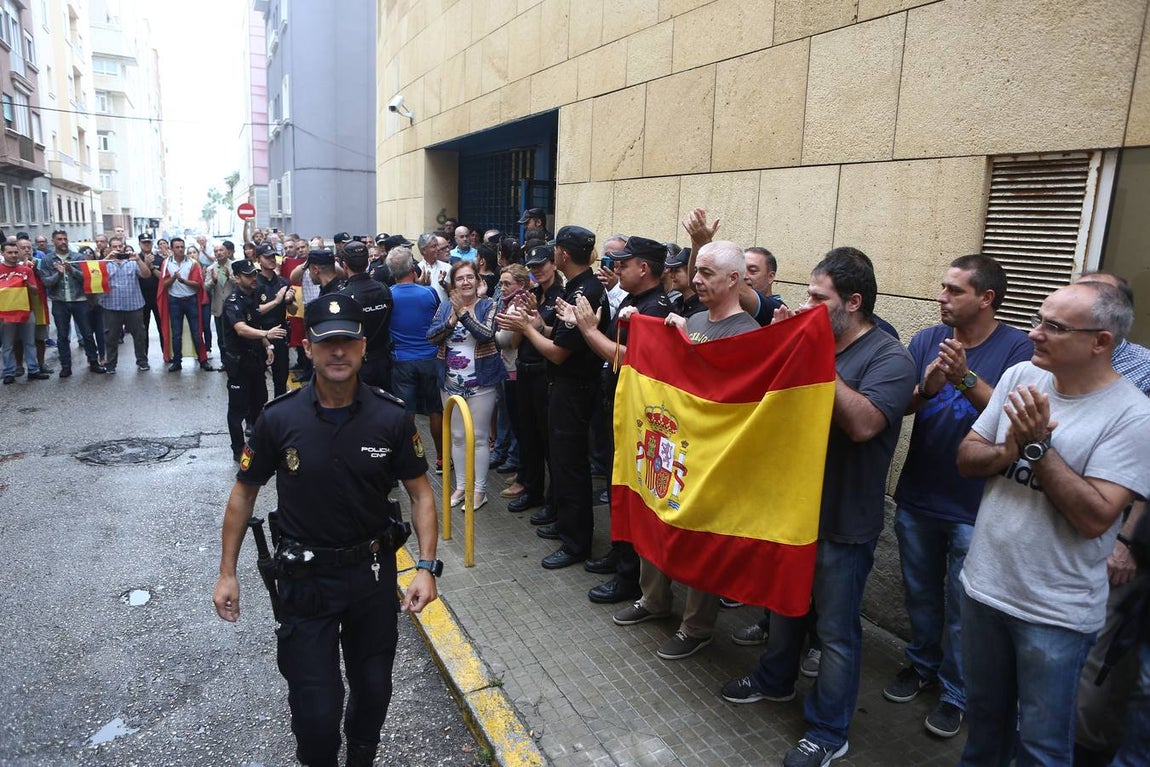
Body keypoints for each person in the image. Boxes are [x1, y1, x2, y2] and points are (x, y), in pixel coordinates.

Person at [212, 291, 439, 767]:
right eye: (326, 342)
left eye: (348, 342)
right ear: (308, 348)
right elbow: (243, 495)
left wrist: (425, 566)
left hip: (371, 578)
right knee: (316, 711)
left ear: (363, 347)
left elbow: (421, 494)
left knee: (373, 690)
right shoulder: (278, 418)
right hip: (306, 581)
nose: (338, 352)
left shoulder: (392, 416)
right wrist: (227, 573)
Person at [720, 247, 916, 767]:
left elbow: (864, 424)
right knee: (785, 606)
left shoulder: (889, 357)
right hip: (794, 510)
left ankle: (829, 731)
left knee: (836, 632)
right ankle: (775, 680)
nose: (806, 306)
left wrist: (814, 354)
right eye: (806, 296)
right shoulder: (816, 339)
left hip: (843, 520)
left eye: (817, 299)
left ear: (853, 302)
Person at [955, 281, 1150, 767]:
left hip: (1054, 615)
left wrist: (1038, 448)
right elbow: (967, 457)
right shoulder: (1021, 376)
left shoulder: (1134, 416)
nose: (1033, 333)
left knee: (1041, 749)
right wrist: (1008, 450)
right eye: (1038, 319)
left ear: (1100, 342)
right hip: (984, 589)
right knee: (984, 730)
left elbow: (1094, 517)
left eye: (1054, 327)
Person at [883, 255, 1033, 738]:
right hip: (919, 495)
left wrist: (964, 378)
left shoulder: (1017, 349)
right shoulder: (927, 338)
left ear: (986, 298)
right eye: (943, 287)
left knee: (965, 610)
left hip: (975, 506)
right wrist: (926, 389)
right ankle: (921, 664)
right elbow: (900, 405)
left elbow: (1013, 420)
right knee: (920, 594)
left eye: (954, 290)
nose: (941, 297)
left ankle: (956, 693)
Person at [565, 236, 673, 607]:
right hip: (617, 407)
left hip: (638, 417)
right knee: (617, 489)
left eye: (624, 264)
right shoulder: (632, 299)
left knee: (629, 492)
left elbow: (627, 356)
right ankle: (619, 553)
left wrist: (588, 331)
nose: (617, 269)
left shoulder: (655, 307)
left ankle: (629, 576)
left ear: (644, 268)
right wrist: (589, 325)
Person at [499, 226, 608, 569]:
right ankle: (565, 525)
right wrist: (537, 323)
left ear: (563, 254)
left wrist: (526, 330)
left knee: (570, 465)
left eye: (554, 251)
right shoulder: (577, 287)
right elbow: (559, 336)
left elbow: (560, 353)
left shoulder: (584, 292)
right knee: (560, 461)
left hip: (574, 388)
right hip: (565, 386)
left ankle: (576, 543)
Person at [426, 260, 505, 509]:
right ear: (452, 285)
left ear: (478, 281)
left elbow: (486, 334)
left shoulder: (488, 305)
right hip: (449, 382)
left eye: (470, 277)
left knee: (480, 438)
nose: (465, 282)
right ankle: (461, 486)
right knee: (458, 437)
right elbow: (431, 337)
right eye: (459, 278)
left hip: (481, 383)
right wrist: (451, 320)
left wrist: (463, 314)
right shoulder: (444, 307)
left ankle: (479, 490)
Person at [500, 244, 564, 518]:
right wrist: (522, 322)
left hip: (544, 372)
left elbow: (558, 339)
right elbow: (516, 340)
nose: (538, 270)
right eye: (533, 266)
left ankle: (552, 501)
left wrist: (533, 325)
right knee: (528, 435)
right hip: (523, 368)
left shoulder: (561, 296)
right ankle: (532, 490)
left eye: (542, 264)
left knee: (548, 441)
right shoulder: (533, 295)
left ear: (554, 264)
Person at [388, 246, 445, 471]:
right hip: (430, 357)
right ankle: (441, 458)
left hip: (401, 359)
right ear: (413, 268)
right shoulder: (429, 293)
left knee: (406, 412)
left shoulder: (388, 295)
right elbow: (438, 320)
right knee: (435, 410)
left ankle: (408, 457)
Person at [219, 259, 281, 462]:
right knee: (237, 410)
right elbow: (241, 329)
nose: (253, 278)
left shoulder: (252, 297)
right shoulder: (232, 301)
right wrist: (267, 334)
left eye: (254, 274)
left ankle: (257, 446)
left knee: (259, 403)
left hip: (255, 361)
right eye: (248, 275)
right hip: (238, 363)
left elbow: (255, 322)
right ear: (237, 278)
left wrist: (267, 345)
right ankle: (238, 450)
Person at [39, 230, 104, 376]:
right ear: (53, 241)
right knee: (62, 336)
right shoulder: (48, 260)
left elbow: (87, 278)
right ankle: (66, 366)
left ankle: (93, 362)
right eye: (59, 239)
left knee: (87, 333)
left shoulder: (78, 257)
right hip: (59, 301)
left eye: (65, 239)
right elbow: (46, 282)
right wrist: (59, 273)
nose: (63, 241)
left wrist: (72, 270)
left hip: (79, 300)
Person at [337, 241, 393, 391]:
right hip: (384, 363)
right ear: (368, 262)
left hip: (358, 364)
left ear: (344, 266)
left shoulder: (343, 297)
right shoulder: (384, 289)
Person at [97, 236, 153, 373]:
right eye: (114, 247)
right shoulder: (105, 263)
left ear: (124, 246)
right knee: (111, 337)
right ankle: (111, 365)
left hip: (133, 305)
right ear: (109, 248)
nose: (118, 249)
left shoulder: (132, 261)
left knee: (139, 336)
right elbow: (95, 275)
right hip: (111, 306)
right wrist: (107, 258)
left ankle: (142, 361)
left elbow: (146, 275)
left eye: (120, 246)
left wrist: (138, 260)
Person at [158, 237, 211, 372]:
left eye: (182, 247)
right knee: (176, 334)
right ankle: (177, 362)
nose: (180, 249)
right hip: (174, 301)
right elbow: (163, 284)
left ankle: (203, 360)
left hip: (191, 300)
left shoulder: (193, 263)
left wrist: (183, 281)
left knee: (197, 332)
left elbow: (198, 285)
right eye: (177, 247)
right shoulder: (166, 263)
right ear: (172, 249)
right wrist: (174, 278)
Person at [1, 240, 49, 383]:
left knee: (29, 342)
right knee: (7, 344)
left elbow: (35, 291)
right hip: (5, 313)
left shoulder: (26, 270)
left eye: (16, 252)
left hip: (26, 311)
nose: (13, 255)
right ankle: (9, 372)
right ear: (2, 253)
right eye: (10, 252)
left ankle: (33, 370)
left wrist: (26, 282)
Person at [254, 244, 295, 396]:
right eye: (267, 257)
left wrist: (288, 301)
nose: (272, 260)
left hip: (280, 332)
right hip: (259, 333)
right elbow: (254, 311)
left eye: (273, 256)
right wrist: (276, 301)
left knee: (281, 377)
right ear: (258, 260)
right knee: (257, 379)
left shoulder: (283, 282)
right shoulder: (254, 283)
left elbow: (293, 310)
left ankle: (280, 406)